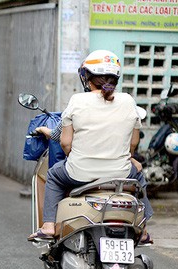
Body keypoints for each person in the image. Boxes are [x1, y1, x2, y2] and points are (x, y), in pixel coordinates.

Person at [29, 50, 153, 244]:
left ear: (86, 77)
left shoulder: (77, 101)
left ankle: (48, 226)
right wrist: (127, 157)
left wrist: (75, 155)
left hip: (79, 172)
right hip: (119, 173)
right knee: (137, 172)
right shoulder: (128, 101)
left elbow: (65, 142)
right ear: (115, 77)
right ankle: (143, 229)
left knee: (53, 175)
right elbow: (133, 143)